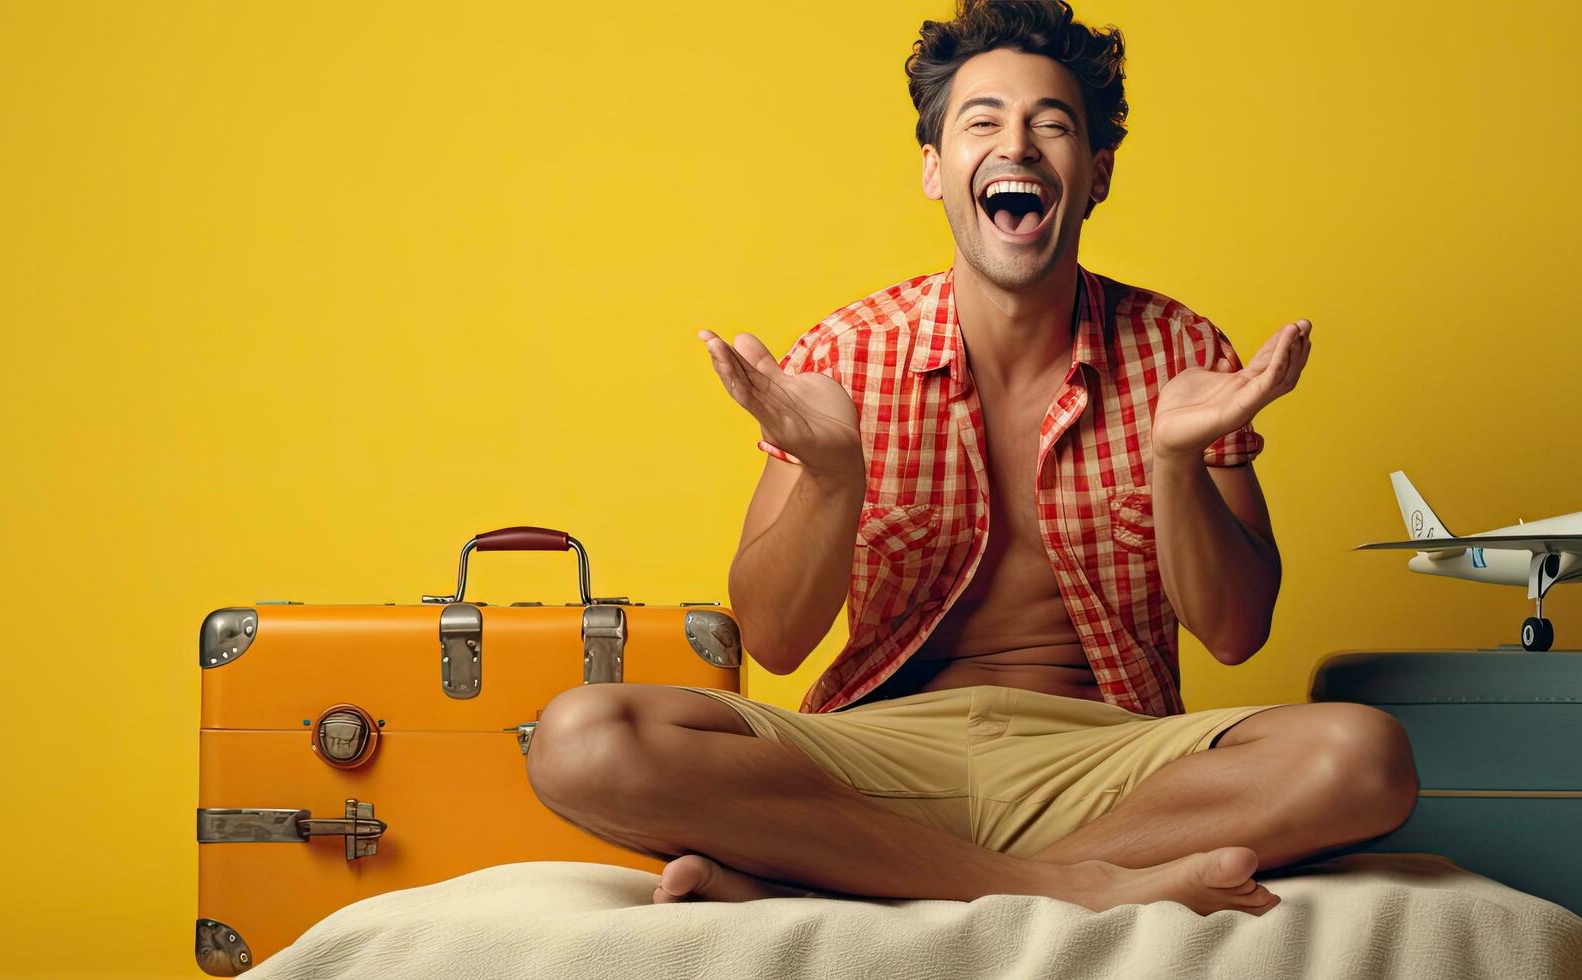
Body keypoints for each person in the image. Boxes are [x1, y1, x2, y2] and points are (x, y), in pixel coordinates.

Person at [528, 0, 1416, 917]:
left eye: (1053, 124)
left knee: (1360, 755)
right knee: (583, 737)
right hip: (875, 758)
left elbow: (1235, 636)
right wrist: (833, 477)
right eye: (982, 120)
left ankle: (839, 873)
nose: (1018, 145)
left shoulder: (1181, 351)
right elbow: (778, 640)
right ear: (933, 168)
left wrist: (1177, 461)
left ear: (1097, 171)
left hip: (1106, 761)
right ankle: (1071, 887)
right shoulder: (842, 353)